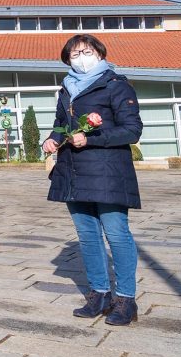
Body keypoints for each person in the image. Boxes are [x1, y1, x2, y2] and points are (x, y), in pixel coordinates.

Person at [43, 34, 142, 326]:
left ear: (99, 54)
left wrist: (92, 138)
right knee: (87, 235)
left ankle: (125, 299)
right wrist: (53, 138)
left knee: (117, 234)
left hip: (108, 173)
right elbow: (61, 124)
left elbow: (132, 130)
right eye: (75, 55)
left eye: (86, 52)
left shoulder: (116, 85)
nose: (81, 58)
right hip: (73, 172)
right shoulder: (66, 89)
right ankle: (99, 294)